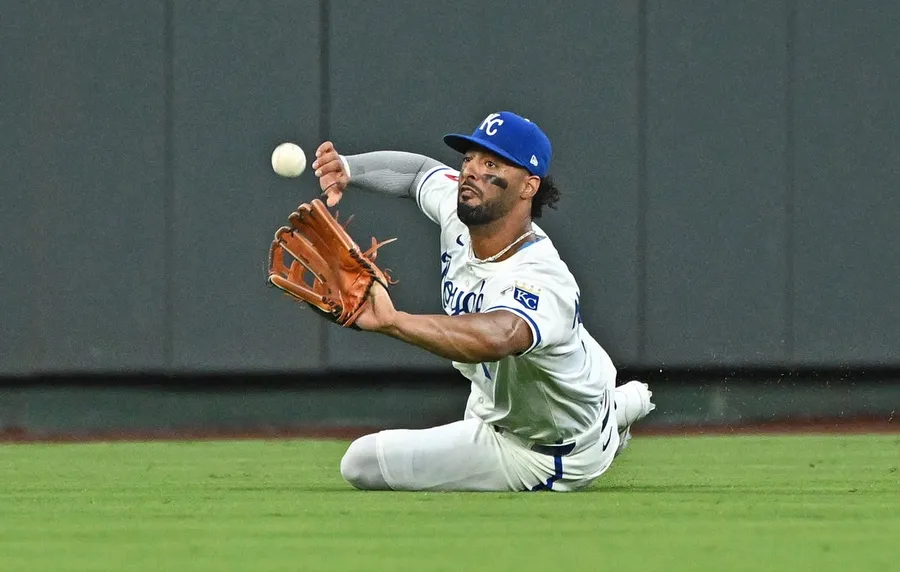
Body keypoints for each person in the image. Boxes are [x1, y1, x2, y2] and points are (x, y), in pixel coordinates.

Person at [310, 111, 654, 492]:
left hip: (545, 450)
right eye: (469, 158)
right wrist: (348, 168)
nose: (471, 171)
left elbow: (499, 337)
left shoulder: (542, 276)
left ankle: (604, 432)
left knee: (360, 462)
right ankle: (617, 407)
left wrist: (394, 321)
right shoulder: (462, 209)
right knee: (508, 389)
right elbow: (418, 173)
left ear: (528, 186)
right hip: (535, 392)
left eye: (491, 164)